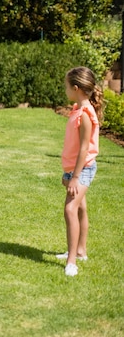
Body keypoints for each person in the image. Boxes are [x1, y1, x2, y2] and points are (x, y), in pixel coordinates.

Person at [56, 66, 103, 277]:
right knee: (81, 207)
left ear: (76, 88)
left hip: (82, 170)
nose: (65, 90)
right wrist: (68, 172)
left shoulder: (85, 114)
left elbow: (84, 148)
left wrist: (74, 177)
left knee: (70, 209)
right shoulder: (78, 108)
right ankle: (81, 251)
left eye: (66, 87)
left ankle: (72, 261)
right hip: (74, 169)